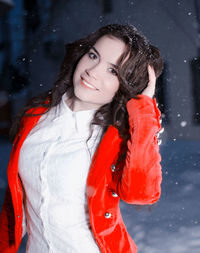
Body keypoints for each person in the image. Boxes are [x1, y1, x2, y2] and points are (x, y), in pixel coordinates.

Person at [0, 24, 163, 253]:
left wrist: (143, 110)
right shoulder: (35, 118)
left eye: (113, 71)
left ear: (125, 86)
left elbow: (141, 194)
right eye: (93, 56)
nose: (93, 71)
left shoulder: (115, 138)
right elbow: (15, 202)